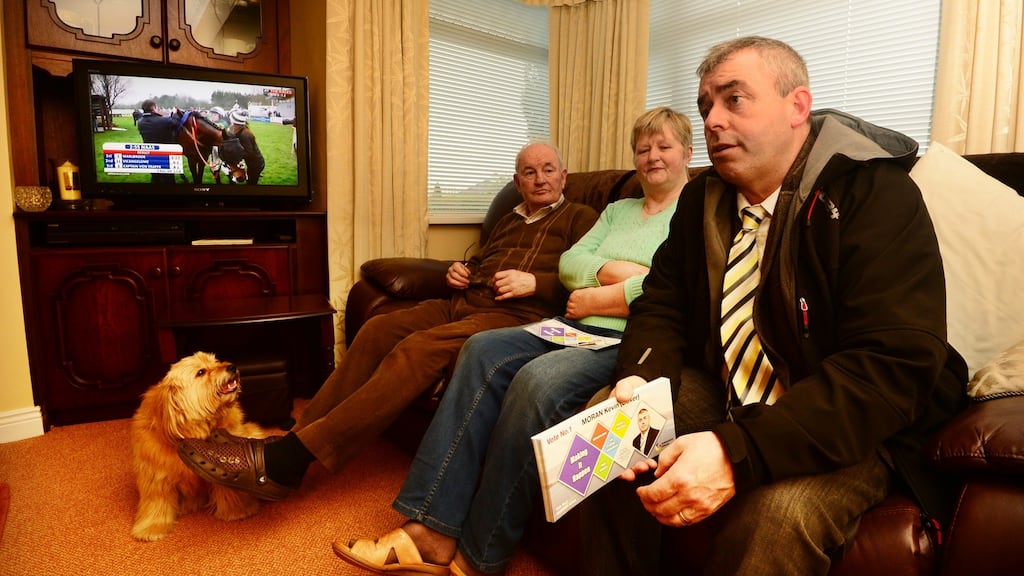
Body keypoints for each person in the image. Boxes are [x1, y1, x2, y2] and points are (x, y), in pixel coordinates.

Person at [580, 36, 967, 576]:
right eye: (705, 105)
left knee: (778, 516)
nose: (712, 120)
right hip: (733, 390)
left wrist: (736, 452)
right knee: (612, 432)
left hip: (844, 419)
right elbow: (662, 301)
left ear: (797, 106)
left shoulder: (874, 192)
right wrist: (642, 379)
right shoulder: (701, 199)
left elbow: (891, 366)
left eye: (733, 99)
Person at [334, 107, 693, 576]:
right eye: (643, 148)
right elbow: (570, 265)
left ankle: (480, 558)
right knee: (481, 349)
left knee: (537, 383)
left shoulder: (694, 211)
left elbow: (676, 289)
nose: (652, 156)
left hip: (626, 338)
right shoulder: (617, 210)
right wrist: (622, 276)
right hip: (576, 324)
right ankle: (431, 530)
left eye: (664, 146)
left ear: (687, 152)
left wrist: (604, 293)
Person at [177, 142, 600, 502]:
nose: (540, 179)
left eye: (548, 170)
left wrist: (537, 283)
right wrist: (458, 271)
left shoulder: (581, 218)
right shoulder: (509, 219)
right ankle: (294, 438)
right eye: (529, 172)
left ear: (564, 176)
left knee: (416, 351)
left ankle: (290, 461)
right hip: (465, 301)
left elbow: (589, 278)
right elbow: (486, 262)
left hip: (514, 316)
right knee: (380, 328)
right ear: (518, 180)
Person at [135, 99, 180, 184]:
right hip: (164, 155)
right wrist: (174, 113)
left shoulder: (140, 121)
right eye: (157, 107)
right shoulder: (162, 121)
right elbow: (175, 122)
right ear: (154, 108)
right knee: (168, 179)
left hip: (150, 154)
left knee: (155, 176)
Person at [226, 110, 265, 184]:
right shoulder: (239, 130)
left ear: (235, 123)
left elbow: (249, 152)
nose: (231, 123)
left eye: (232, 121)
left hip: (256, 164)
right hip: (251, 163)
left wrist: (236, 156)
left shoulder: (245, 134)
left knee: (251, 184)